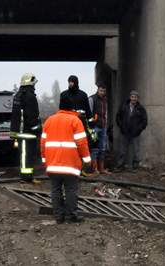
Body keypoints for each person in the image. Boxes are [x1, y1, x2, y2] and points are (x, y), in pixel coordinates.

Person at [41, 95, 91, 223]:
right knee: (71, 190)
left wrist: (44, 160)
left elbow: (43, 143)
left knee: (55, 190)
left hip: (52, 164)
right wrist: (87, 160)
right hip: (70, 164)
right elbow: (82, 143)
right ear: (72, 107)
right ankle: (72, 215)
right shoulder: (75, 121)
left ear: (60, 106)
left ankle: (59, 216)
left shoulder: (49, 121)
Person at [10, 73, 41, 183]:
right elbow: (32, 116)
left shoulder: (18, 96)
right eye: (33, 83)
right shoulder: (30, 96)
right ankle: (27, 177)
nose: (34, 85)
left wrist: (13, 133)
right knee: (28, 155)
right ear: (30, 82)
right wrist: (38, 128)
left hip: (21, 132)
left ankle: (27, 176)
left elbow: (16, 116)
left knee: (24, 154)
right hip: (28, 132)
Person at [115, 90, 148, 172]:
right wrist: (121, 126)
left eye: (135, 97)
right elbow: (118, 117)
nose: (134, 99)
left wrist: (138, 130)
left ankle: (135, 167)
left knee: (136, 151)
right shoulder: (123, 106)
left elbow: (144, 121)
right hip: (124, 132)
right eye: (132, 97)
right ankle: (120, 166)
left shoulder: (141, 109)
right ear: (130, 97)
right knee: (122, 150)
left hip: (135, 134)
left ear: (138, 98)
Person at [88, 82, 111, 174]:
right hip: (94, 128)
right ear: (98, 90)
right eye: (101, 90)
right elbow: (89, 113)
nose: (102, 92)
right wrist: (91, 125)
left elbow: (105, 113)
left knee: (102, 148)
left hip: (103, 127)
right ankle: (94, 169)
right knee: (94, 148)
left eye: (104, 91)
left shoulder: (105, 100)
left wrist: (106, 124)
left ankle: (101, 168)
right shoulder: (91, 99)